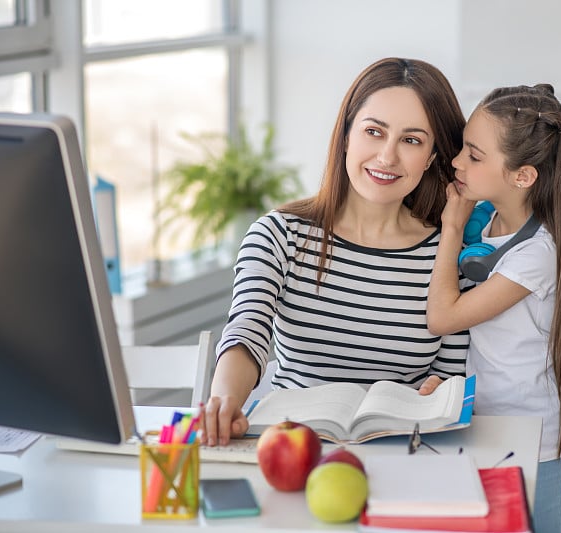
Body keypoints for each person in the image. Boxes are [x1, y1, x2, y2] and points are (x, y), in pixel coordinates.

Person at [201, 57, 469, 447]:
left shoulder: (447, 253)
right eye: (374, 132)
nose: (387, 157)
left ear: (431, 157)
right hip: (291, 449)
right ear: (346, 135)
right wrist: (224, 400)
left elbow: (450, 375)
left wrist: (440, 389)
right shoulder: (279, 234)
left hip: (403, 452)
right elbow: (247, 330)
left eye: (411, 140)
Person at [426, 84, 561, 533]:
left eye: (474, 156)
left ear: (523, 176)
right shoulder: (488, 219)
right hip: (488, 429)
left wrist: (451, 228)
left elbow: (443, 317)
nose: (456, 163)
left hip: (539, 449)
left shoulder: (537, 254)